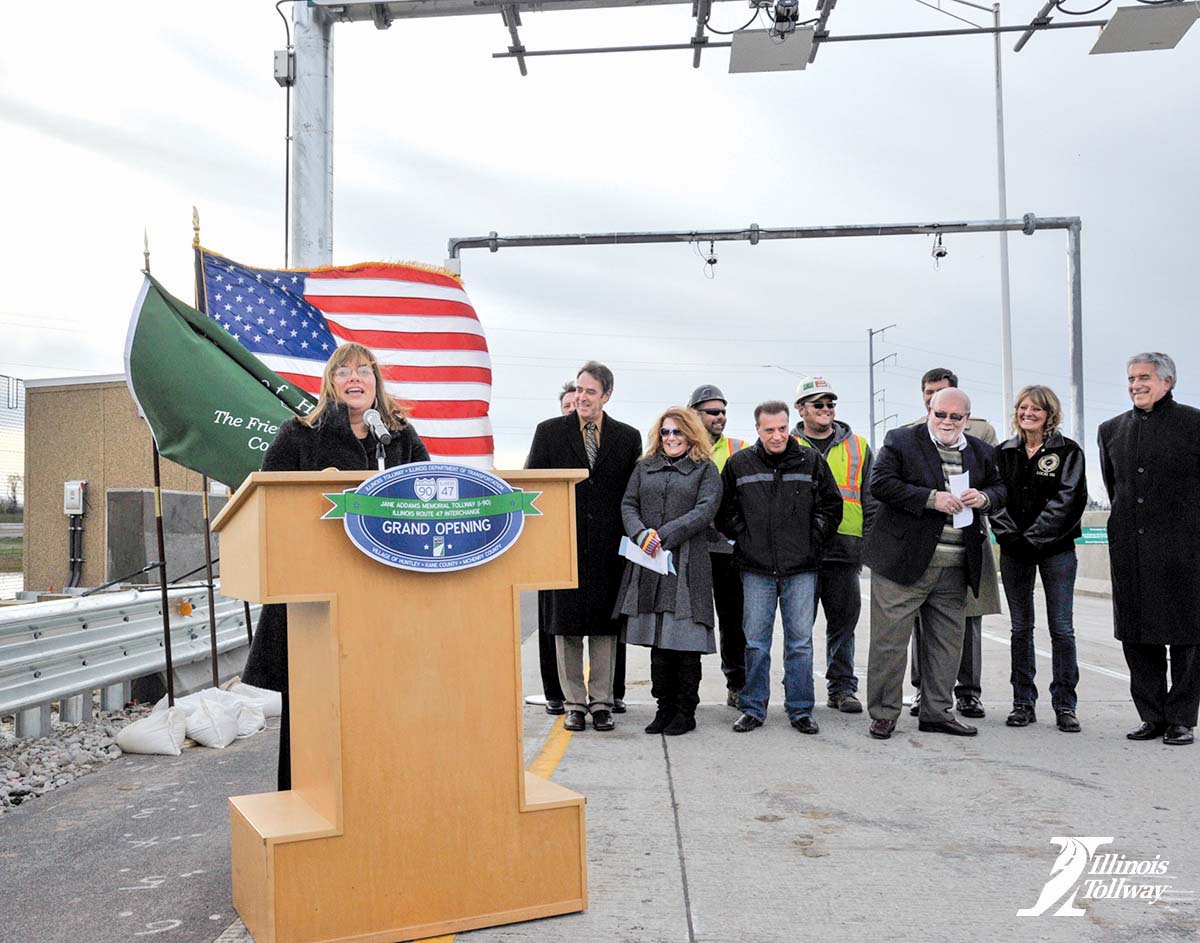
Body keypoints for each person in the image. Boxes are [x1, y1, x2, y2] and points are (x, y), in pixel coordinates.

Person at [241, 343, 430, 790]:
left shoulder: (400, 437)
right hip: (313, 603)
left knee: (380, 707)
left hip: (383, 599)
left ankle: (378, 797)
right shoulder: (299, 434)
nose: (354, 378)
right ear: (331, 382)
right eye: (344, 372)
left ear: (375, 382)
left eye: (363, 371)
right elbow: (267, 507)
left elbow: (426, 497)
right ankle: (305, 801)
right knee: (312, 712)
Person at [864, 388, 1005, 740]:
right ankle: (884, 714)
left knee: (947, 644)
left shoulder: (981, 452)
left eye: (956, 417)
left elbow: (1002, 488)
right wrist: (931, 499)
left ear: (966, 419)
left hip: (955, 566)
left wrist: (985, 497)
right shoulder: (901, 440)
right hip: (903, 564)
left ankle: (937, 712)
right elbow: (880, 484)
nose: (947, 422)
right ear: (930, 410)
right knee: (889, 643)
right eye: (941, 414)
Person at [526, 361, 641, 732]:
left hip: (610, 548)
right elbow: (534, 489)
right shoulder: (549, 432)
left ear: (606, 395)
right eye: (579, 390)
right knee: (568, 626)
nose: (582, 397)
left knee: (605, 628)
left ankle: (602, 702)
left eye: (591, 391)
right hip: (564, 544)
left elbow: (632, 494)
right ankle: (574, 702)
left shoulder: (627, 437)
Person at [717, 401, 843, 734]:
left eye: (783, 428)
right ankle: (753, 708)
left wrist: (811, 539)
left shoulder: (811, 461)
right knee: (755, 642)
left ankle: (801, 709)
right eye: (769, 430)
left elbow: (831, 507)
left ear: (790, 426)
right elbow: (724, 511)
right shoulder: (739, 464)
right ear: (757, 430)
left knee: (800, 643)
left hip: (800, 568)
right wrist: (744, 538)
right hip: (755, 569)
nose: (777, 436)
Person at [1099, 352, 1200, 746]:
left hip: (1183, 549)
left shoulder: (1194, 424)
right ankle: (1152, 715)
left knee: (1187, 636)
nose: (1136, 384)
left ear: (1167, 382)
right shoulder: (1110, 430)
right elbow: (1114, 487)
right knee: (1137, 634)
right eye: (1130, 378)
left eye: (1144, 377)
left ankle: (1181, 718)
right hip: (1130, 547)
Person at [615, 408, 722, 736]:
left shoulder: (705, 469)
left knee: (684, 641)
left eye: (677, 432)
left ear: (691, 433)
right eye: (666, 432)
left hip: (688, 564)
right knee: (659, 641)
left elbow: (705, 510)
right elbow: (628, 504)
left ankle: (685, 711)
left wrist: (663, 535)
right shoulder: (644, 467)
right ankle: (663, 708)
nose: (671, 438)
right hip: (650, 563)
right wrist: (640, 533)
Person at [990, 386, 1087, 732]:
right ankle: (1023, 702)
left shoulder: (1068, 451)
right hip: (1014, 551)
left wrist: (1035, 538)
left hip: (1056, 551)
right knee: (1020, 628)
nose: (1028, 413)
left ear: (1049, 414)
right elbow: (993, 497)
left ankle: (1065, 705)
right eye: (1023, 408)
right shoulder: (1003, 452)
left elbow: (1070, 499)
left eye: (1036, 409)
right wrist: (1012, 537)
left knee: (1062, 629)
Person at [907, 367, 1001, 720]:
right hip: (927, 542)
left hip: (968, 540)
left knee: (968, 618)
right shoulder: (911, 434)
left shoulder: (981, 432)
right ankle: (923, 690)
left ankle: (968, 692)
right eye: (929, 393)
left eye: (942, 391)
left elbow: (994, 481)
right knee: (922, 621)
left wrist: (983, 497)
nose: (935, 399)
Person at [791, 375, 875, 714]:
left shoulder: (859, 446)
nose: (826, 409)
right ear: (801, 409)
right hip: (802, 552)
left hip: (844, 550)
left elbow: (871, 499)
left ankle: (842, 689)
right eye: (818, 404)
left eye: (830, 403)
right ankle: (799, 693)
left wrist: (869, 545)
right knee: (800, 628)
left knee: (843, 625)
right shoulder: (788, 444)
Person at [688, 383, 749, 708]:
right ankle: (688, 690)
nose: (720, 417)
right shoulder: (681, 446)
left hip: (728, 551)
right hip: (692, 550)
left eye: (723, 411)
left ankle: (737, 685)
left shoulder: (740, 448)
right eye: (713, 412)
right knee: (693, 622)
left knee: (733, 622)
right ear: (694, 414)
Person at [534, 381, 582, 716]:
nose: (573, 409)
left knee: (605, 624)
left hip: (595, 542)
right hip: (554, 542)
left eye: (577, 403)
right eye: (567, 405)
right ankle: (556, 692)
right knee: (554, 620)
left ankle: (611, 693)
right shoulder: (549, 438)